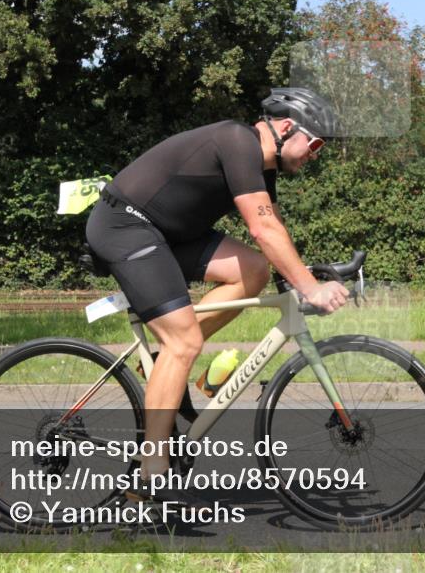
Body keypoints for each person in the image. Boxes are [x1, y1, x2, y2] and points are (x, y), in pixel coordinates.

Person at [85, 88, 351, 506]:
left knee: (255, 271)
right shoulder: (236, 141)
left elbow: (272, 232)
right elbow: (263, 231)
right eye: (315, 143)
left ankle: (164, 354)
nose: (316, 153)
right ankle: (152, 468)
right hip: (126, 225)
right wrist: (310, 289)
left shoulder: (262, 167)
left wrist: (306, 272)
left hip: (169, 232)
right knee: (185, 341)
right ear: (286, 128)